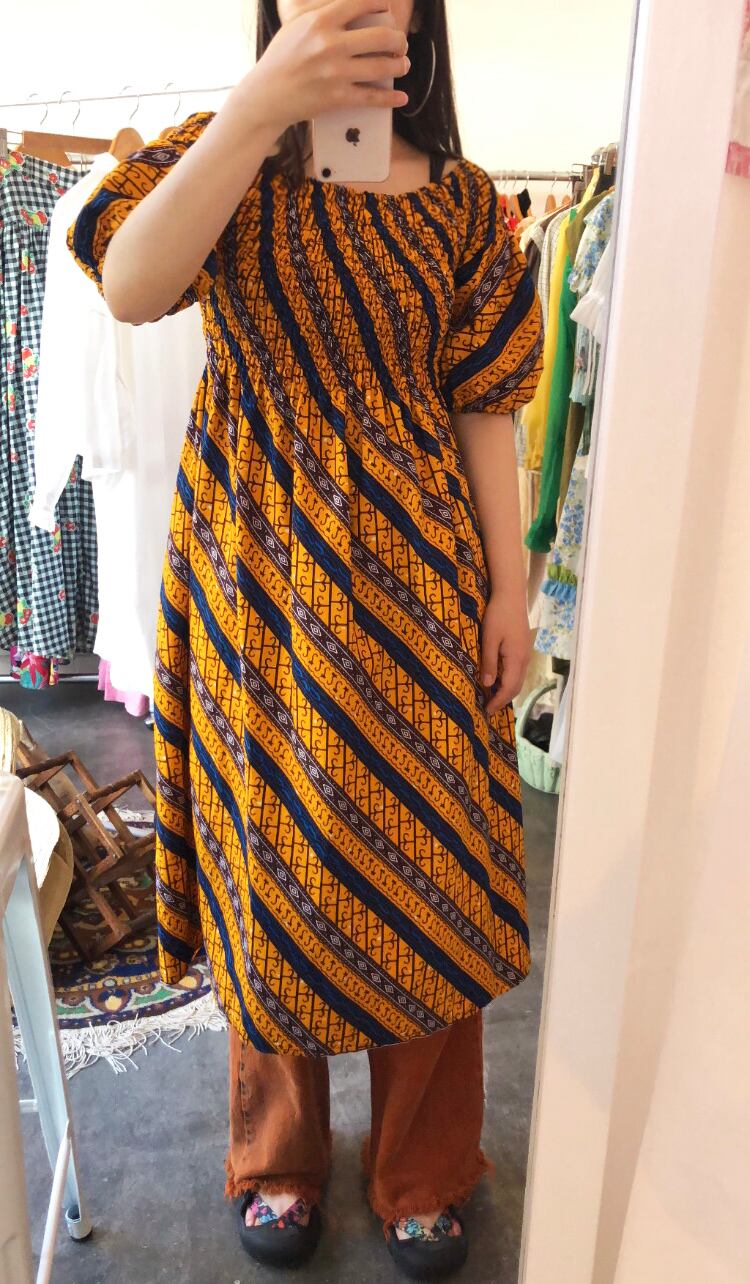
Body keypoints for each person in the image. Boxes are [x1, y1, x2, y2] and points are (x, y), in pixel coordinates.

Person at [69, 0, 543, 1276]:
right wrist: (258, 110)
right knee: (268, 856)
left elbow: (487, 402)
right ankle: (277, 1153)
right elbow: (131, 286)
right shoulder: (215, 152)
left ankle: (425, 1166)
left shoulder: (464, 204)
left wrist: (511, 590)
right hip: (257, 575)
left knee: (431, 862)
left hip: (420, 579)